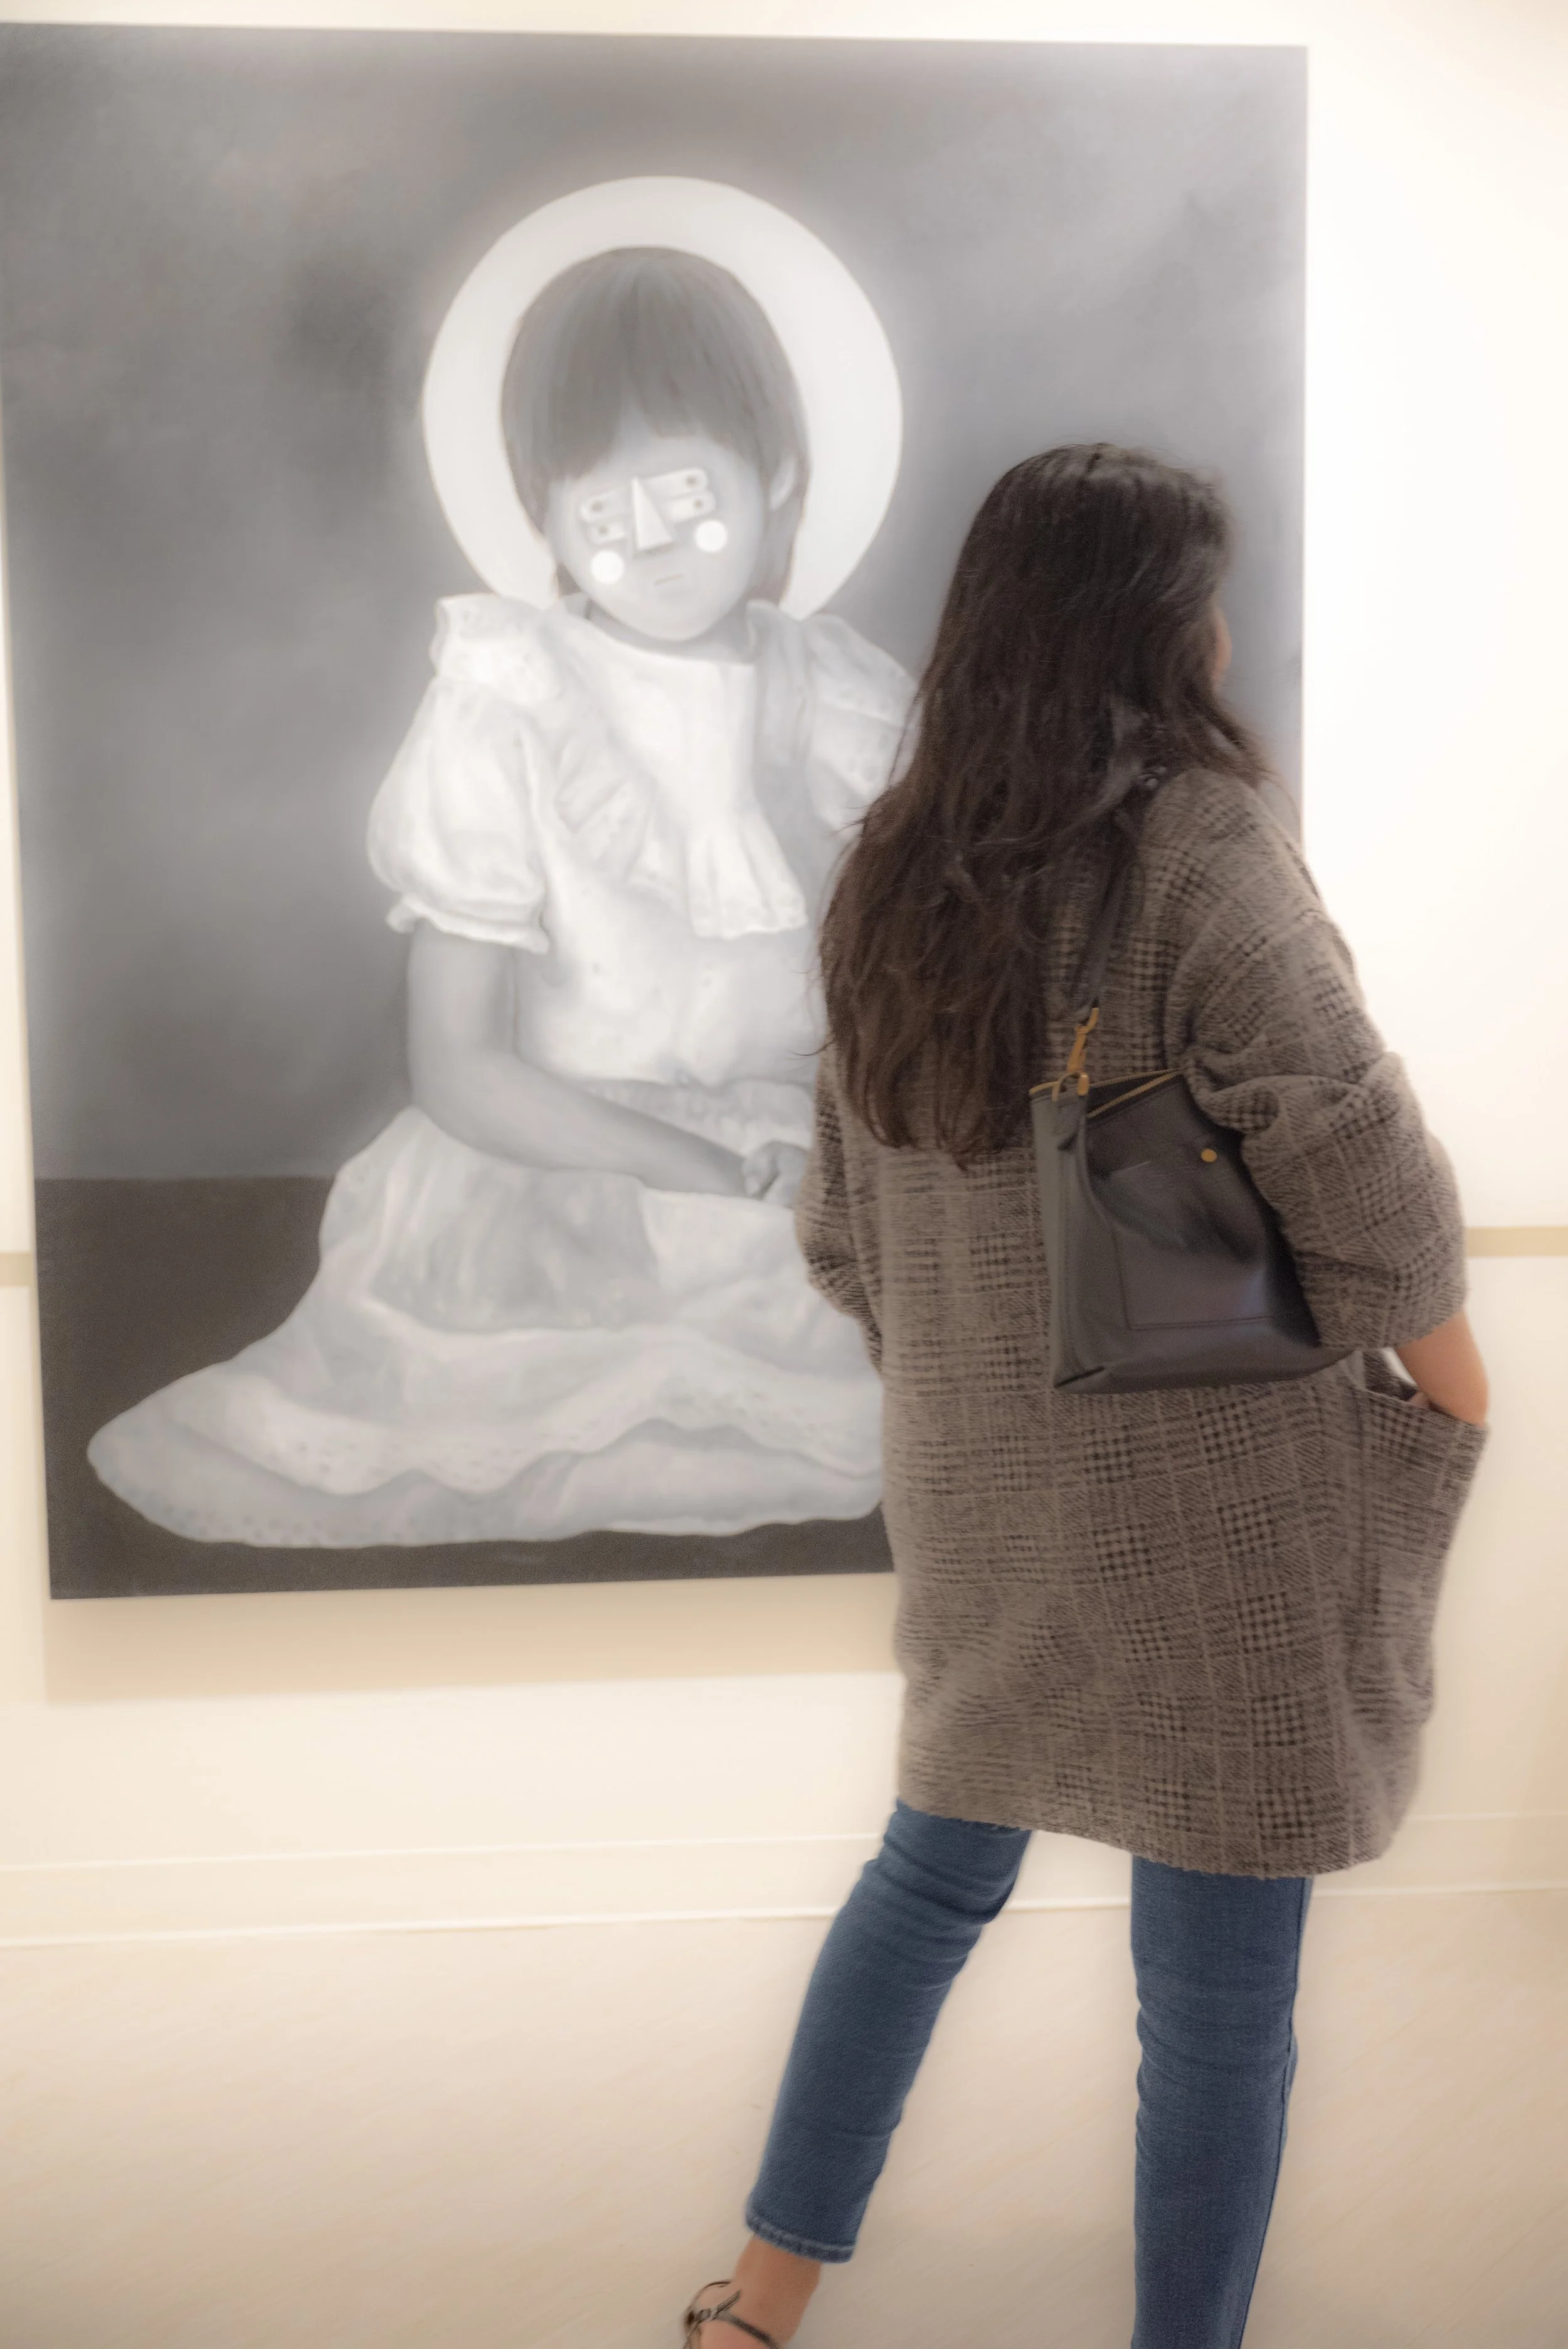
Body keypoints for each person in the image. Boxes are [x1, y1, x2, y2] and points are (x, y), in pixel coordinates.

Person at [681, 445, 1489, 2348]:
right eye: (1202, 599)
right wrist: (1454, 1396)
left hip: (978, 1491)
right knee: (1213, 1997)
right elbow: (1351, 1151)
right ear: (1157, 624)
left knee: (924, 1883)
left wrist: (969, 1386)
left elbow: (838, 1229)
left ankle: (757, 2305)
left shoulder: (889, 870)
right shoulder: (1194, 845)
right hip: (1213, 1506)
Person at [87, 249, 913, 1547]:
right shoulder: (509, 700)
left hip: (803, 1155)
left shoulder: (845, 697)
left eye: (685, 496)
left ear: (779, 478)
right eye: (599, 509)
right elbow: (460, 1068)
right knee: (579, 1383)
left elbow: (899, 993)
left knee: (871, 1325)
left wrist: (825, 1166)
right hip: (556, 1165)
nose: (647, 543)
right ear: (544, 514)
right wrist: (710, 1175)